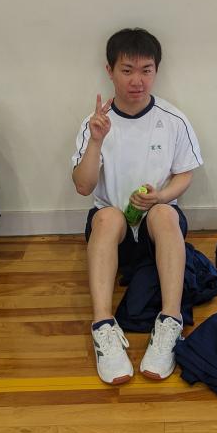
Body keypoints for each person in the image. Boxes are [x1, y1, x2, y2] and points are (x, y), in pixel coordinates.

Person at [71, 28, 203, 384]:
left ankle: (170, 322)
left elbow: (185, 174)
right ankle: (102, 326)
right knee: (107, 216)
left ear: (156, 71)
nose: (137, 80)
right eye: (127, 70)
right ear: (110, 71)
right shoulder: (95, 123)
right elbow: (83, 186)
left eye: (146, 70)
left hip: (157, 229)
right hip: (112, 231)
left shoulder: (173, 119)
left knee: (165, 212)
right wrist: (96, 141)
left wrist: (161, 196)